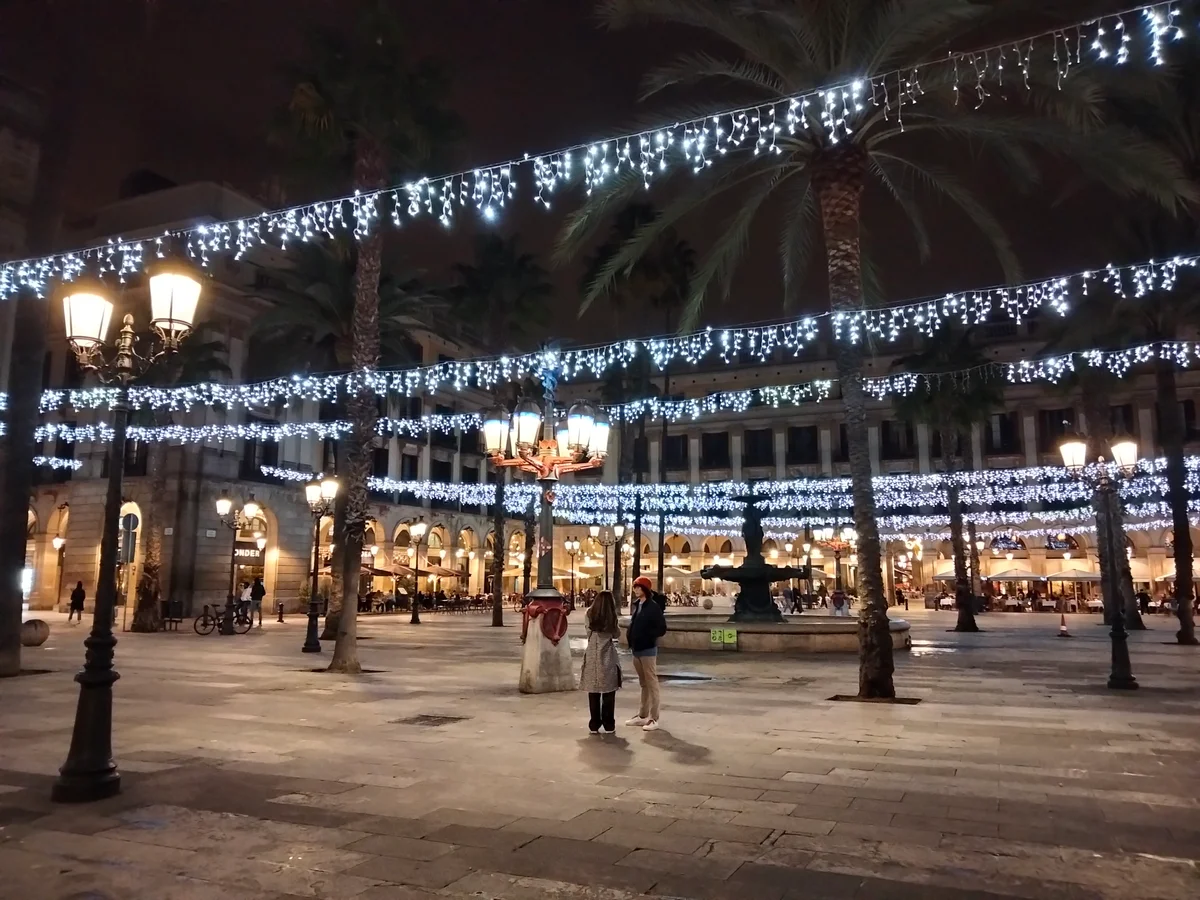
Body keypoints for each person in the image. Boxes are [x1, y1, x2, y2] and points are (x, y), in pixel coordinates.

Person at [626, 575, 667, 732]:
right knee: (643, 683)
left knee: (652, 683)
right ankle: (642, 716)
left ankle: (653, 718)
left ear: (645, 589)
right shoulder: (639, 605)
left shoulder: (653, 607)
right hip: (637, 649)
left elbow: (661, 628)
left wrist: (648, 636)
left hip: (648, 649)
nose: (635, 589)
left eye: (638, 587)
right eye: (635, 586)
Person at [579, 589, 621, 734]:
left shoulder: (589, 614)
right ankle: (609, 724)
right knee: (609, 690)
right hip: (608, 653)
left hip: (592, 653)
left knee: (593, 690)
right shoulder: (611, 616)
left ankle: (594, 724)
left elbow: (587, 631)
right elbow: (617, 634)